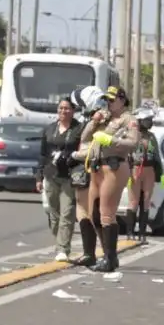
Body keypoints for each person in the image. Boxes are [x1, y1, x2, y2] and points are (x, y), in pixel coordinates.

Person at [79, 83, 142, 271]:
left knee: (107, 213)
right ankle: (106, 253)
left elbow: (133, 142)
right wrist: (95, 120)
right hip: (98, 166)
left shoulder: (128, 119)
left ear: (122, 100)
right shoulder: (105, 118)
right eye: (106, 100)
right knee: (94, 214)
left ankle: (110, 258)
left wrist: (111, 140)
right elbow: (84, 136)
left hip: (115, 166)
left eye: (112, 100)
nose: (108, 103)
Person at [68, 85, 109, 265]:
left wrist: (73, 155)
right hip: (90, 168)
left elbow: (92, 147)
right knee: (86, 211)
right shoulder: (96, 117)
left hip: (93, 167)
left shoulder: (100, 119)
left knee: (90, 213)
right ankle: (93, 253)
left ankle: (98, 254)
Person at [38, 97, 80, 262]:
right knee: (53, 214)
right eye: (61, 108)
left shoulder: (78, 129)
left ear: (73, 111)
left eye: (67, 108)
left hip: (69, 177)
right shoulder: (49, 129)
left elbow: (83, 149)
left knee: (67, 212)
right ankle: (59, 241)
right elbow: (42, 155)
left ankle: (63, 248)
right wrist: (39, 176)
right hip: (51, 175)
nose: (63, 111)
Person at [130, 101, 160, 238]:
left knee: (146, 201)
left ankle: (142, 233)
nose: (149, 122)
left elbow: (157, 156)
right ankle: (130, 232)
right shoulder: (132, 135)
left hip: (149, 170)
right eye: (147, 120)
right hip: (135, 169)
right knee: (134, 202)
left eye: (150, 120)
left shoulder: (152, 136)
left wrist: (159, 173)